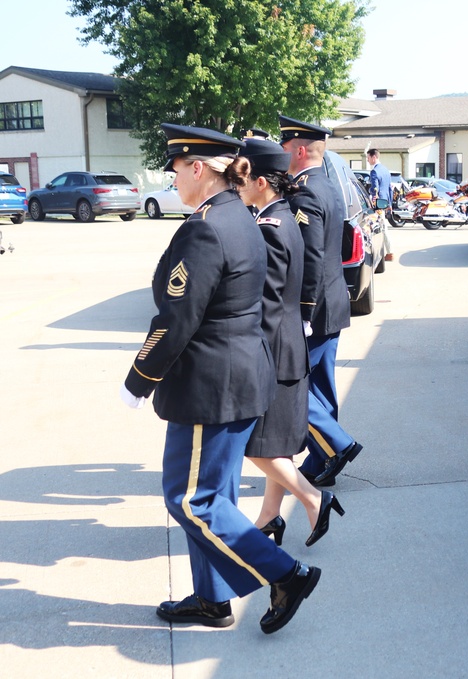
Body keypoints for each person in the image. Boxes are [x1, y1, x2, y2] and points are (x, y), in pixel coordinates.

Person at [120, 124, 320, 634]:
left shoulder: (206, 226)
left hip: (211, 386)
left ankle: (286, 575)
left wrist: (140, 376)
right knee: (215, 497)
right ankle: (212, 598)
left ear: (197, 168)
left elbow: (177, 317)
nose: (172, 179)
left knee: (192, 499)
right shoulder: (239, 215)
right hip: (239, 376)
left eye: (175, 169)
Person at [238, 137, 344, 548]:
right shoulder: (282, 216)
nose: (238, 184)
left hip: (274, 352)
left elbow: (264, 300)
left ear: (262, 181)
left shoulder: (269, 228)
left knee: (256, 445)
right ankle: (269, 519)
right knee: (275, 443)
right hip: (287, 348)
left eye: (243, 177)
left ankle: (313, 498)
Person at [278, 115, 363, 485]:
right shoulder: (328, 185)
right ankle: (320, 463)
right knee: (321, 387)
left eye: (284, 147)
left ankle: (338, 445)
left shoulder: (306, 191)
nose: (281, 154)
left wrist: (303, 311)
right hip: (333, 300)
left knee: (293, 385)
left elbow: (309, 256)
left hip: (315, 306)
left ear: (298, 149)